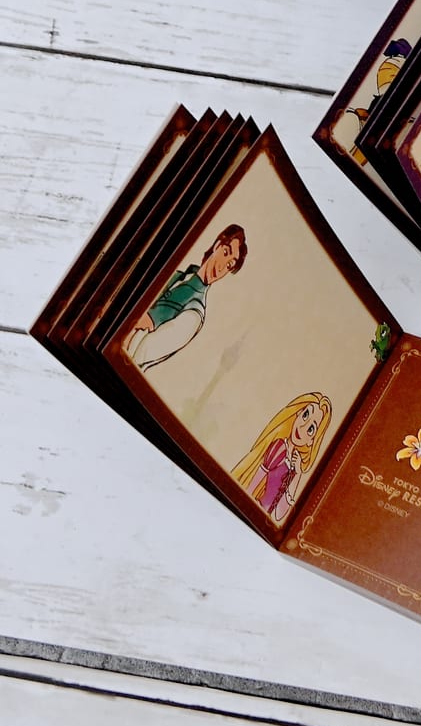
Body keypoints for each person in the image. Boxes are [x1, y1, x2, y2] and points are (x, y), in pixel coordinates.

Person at [126, 224, 247, 369]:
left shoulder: (195, 312)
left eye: (229, 265)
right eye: (226, 253)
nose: (221, 267)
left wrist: (146, 320)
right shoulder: (178, 275)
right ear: (217, 245)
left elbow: (143, 353)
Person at [232, 393, 332, 523]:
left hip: (262, 520)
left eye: (311, 429)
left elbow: (279, 514)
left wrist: (298, 473)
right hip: (250, 511)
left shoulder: (295, 465)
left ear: (311, 441)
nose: (302, 427)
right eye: (305, 415)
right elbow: (252, 486)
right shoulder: (279, 447)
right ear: (298, 413)